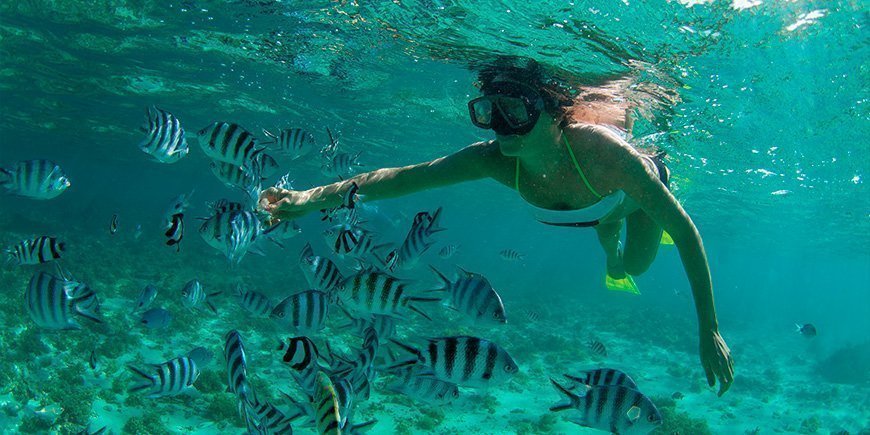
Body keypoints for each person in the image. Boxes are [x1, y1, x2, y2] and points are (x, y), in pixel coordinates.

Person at [258, 59, 734, 396]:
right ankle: (605, 230)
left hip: (631, 198)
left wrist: (708, 329)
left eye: (517, 111)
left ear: (552, 113)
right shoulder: (493, 160)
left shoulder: (604, 153)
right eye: (489, 112)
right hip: (591, 207)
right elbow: (402, 179)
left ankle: (623, 220)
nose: (502, 127)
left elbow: (687, 231)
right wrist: (308, 198)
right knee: (605, 229)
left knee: (636, 264)